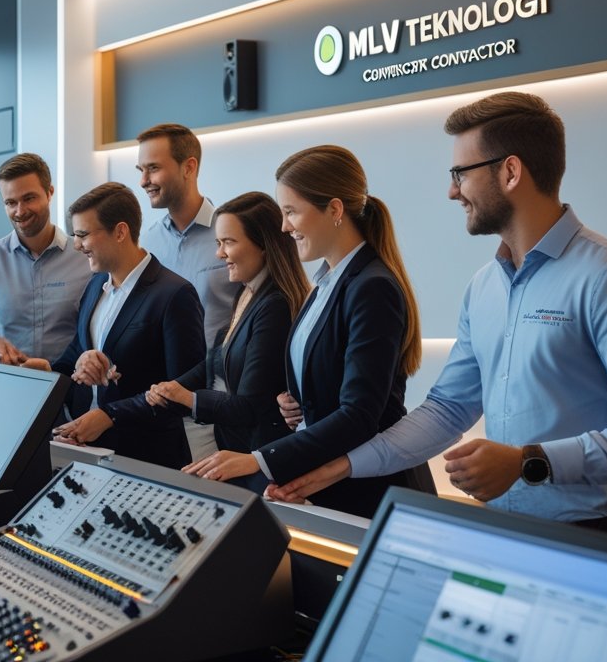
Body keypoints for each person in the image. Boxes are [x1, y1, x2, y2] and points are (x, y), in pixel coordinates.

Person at [266, 93, 607, 540]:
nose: (452, 190)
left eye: (460, 173)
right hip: (503, 534)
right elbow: (447, 410)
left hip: (594, 538)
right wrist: (340, 468)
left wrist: (530, 462)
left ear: (510, 171)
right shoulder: (484, 286)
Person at [183, 145, 436, 518]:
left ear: (334, 210)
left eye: (291, 212)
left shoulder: (371, 286)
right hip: (330, 480)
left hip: (372, 489)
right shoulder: (325, 282)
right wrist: (298, 402)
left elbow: (359, 414)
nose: (284, 227)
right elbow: (329, 385)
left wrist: (259, 460)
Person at [26, 182, 205, 469]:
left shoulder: (175, 294)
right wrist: (50, 369)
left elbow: (186, 388)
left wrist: (111, 415)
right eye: (74, 235)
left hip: (148, 459)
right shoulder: (96, 283)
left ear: (120, 231)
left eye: (83, 235)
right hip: (87, 453)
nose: (76, 245)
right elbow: (77, 354)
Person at [144, 192, 310, 492]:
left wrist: (188, 398)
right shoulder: (247, 291)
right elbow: (216, 361)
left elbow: (249, 406)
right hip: (239, 453)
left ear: (264, 245)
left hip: (264, 465)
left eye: (229, 242)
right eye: (218, 243)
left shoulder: (275, 305)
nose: (219, 254)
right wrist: (172, 387)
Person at [135, 123, 241, 462]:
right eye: (141, 170)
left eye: (153, 168)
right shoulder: (147, 244)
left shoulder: (233, 235)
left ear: (189, 167)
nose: (143, 181)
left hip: (225, 409)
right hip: (161, 407)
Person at [0, 153, 92, 364]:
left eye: (29, 198)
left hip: (69, 387)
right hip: (9, 385)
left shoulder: (84, 256)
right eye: (11, 203)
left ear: (50, 193)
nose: (20, 211)